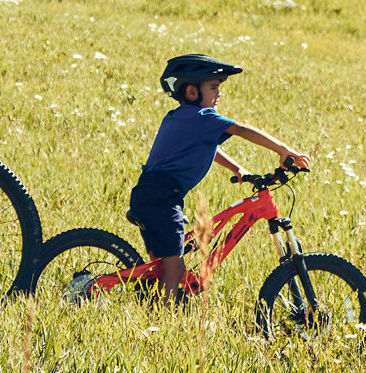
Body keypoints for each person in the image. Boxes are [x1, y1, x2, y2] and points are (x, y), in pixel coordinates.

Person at [125, 54, 314, 299]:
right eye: (213, 87)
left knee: (163, 265)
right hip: (163, 196)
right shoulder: (202, 117)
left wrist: (237, 169)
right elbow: (240, 128)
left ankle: (156, 301)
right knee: (175, 265)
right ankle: (161, 314)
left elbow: (207, 147)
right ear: (192, 92)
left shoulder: (181, 117)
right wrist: (284, 150)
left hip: (149, 193)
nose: (218, 93)